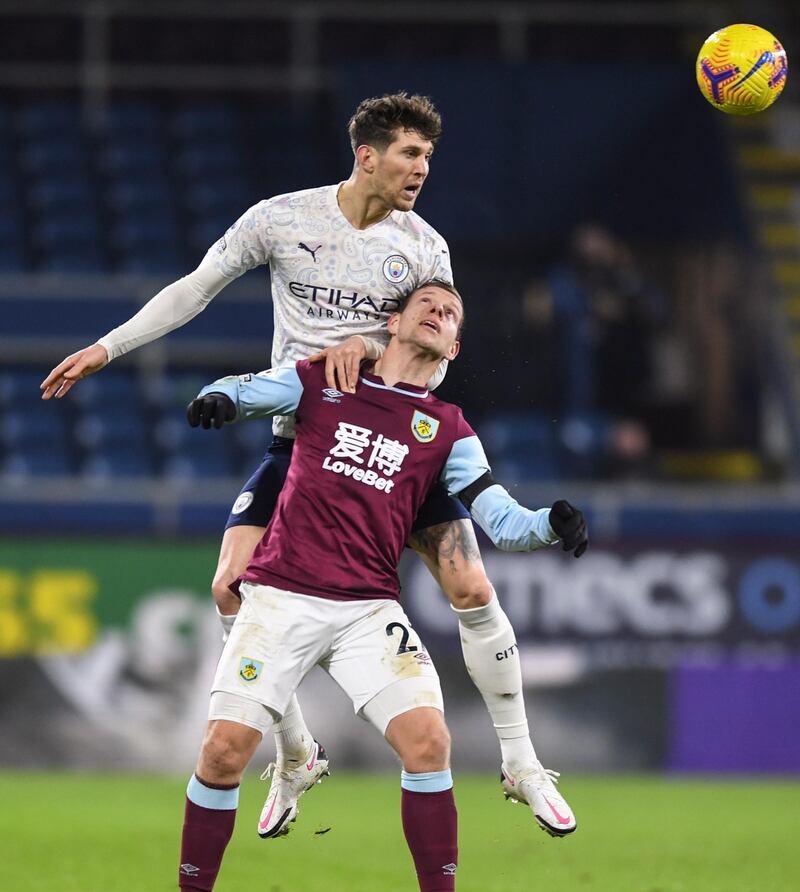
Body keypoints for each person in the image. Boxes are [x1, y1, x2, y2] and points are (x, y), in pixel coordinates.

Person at [40, 93, 577, 836]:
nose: (422, 168)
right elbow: (196, 289)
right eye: (410, 154)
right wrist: (109, 347)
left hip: (389, 446)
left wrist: (376, 364)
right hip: (307, 439)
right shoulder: (282, 219)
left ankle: (520, 762)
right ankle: (295, 753)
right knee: (229, 589)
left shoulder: (425, 249)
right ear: (367, 155)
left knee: (470, 580)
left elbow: (437, 357)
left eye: (428, 156)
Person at [180, 281, 587, 891]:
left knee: (429, 742)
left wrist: (550, 524)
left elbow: (501, 520)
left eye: (452, 314)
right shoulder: (323, 381)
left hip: (368, 610)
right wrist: (215, 399)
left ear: (453, 349)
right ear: (391, 323)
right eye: (428, 305)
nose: (440, 315)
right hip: (282, 596)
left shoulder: (448, 429)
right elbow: (242, 392)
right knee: (221, 754)